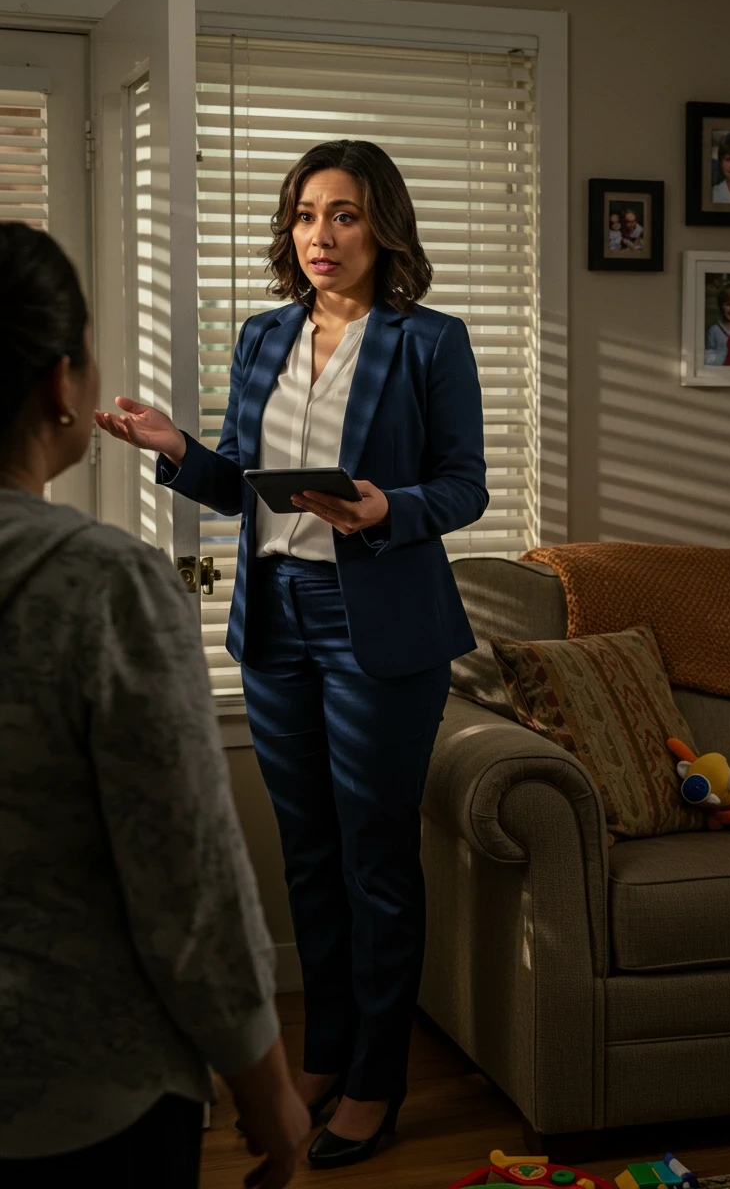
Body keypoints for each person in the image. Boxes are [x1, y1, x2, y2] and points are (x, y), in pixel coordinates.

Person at [96, 139, 488, 1170]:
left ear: (382, 224)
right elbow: (245, 483)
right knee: (308, 853)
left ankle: (374, 1079)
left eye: (345, 213)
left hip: (381, 631)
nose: (322, 234)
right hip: (275, 620)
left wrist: (383, 506)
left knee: (375, 858)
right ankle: (320, 1056)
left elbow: (463, 486)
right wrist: (176, 448)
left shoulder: (429, 342)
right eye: (307, 214)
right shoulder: (264, 335)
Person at [0, 224, 311, 1187]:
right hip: (79, 1093)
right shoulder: (102, 584)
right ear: (64, 382)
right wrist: (265, 1088)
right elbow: (189, 880)